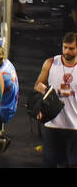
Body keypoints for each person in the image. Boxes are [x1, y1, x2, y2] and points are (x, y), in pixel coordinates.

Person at [34, 32, 77, 167]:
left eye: (71, 48)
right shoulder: (50, 63)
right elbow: (37, 85)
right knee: (50, 163)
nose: (67, 51)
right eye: (65, 47)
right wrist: (43, 89)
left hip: (74, 126)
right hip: (52, 124)